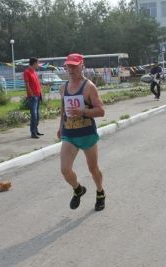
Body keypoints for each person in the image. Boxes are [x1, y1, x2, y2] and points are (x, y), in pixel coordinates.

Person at [57, 53, 106, 211]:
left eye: (74, 66)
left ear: (81, 66)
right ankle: (78, 189)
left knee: (93, 168)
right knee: (65, 169)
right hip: (69, 133)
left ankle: (100, 192)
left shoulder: (89, 87)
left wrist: (83, 112)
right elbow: (63, 109)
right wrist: (60, 127)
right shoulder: (63, 87)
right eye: (68, 66)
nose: (71, 69)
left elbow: (101, 111)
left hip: (87, 134)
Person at [23, 57, 43, 139]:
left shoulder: (34, 72)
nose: (38, 65)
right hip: (33, 97)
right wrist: (31, 94)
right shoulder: (27, 72)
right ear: (34, 63)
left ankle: (36, 130)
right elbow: (27, 84)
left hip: (38, 95)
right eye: (38, 63)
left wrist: (40, 94)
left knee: (37, 115)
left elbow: (37, 84)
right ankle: (33, 132)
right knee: (34, 115)